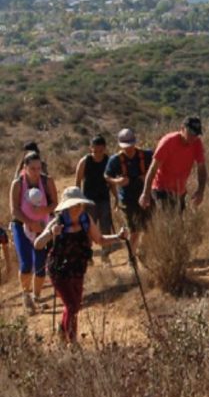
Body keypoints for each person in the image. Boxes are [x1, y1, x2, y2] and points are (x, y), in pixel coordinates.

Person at [32, 187, 125, 344]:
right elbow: (37, 244)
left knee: (74, 305)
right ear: (67, 207)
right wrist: (51, 233)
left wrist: (118, 237)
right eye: (74, 205)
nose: (78, 208)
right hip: (59, 270)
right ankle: (72, 342)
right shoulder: (57, 222)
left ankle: (62, 330)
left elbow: (100, 239)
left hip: (78, 269)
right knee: (72, 306)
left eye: (80, 204)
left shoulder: (85, 219)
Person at [9, 152, 57, 314]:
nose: (36, 171)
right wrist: (30, 223)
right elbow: (14, 210)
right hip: (21, 224)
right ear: (25, 168)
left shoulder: (47, 181)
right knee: (26, 263)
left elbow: (55, 204)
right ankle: (26, 294)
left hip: (43, 222)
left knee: (41, 263)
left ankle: (37, 296)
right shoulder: (17, 184)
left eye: (39, 168)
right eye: (32, 168)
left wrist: (43, 211)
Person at [140, 115, 207, 212]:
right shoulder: (168, 142)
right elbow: (153, 168)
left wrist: (200, 191)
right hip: (161, 189)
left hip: (180, 191)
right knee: (168, 221)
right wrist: (145, 193)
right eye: (191, 133)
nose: (193, 137)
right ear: (182, 129)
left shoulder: (197, 143)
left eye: (196, 134)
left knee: (178, 223)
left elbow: (202, 169)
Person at [105, 128, 154, 254]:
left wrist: (148, 176)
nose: (129, 149)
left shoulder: (146, 155)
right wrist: (118, 181)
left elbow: (158, 167)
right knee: (134, 231)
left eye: (131, 146)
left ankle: (143, 252)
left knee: (149, 227)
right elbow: (107, 176)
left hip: (145, 196)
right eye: (126, 147)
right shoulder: (115, 160)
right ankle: (132, 258)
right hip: (127, 200)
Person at [75, 135, 115, 263]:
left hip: (104, 200)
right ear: (90, 149)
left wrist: (116, 198)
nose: (98, 154)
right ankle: (88, 256)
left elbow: (112, 182)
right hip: (88, 201)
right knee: (87, 229)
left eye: (100, 151)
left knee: (105, 228)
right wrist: (78, 201)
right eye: (95, 151)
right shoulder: (84, 161)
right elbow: (78, 181)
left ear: (105, 149)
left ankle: (105, 256)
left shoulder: (109, 161)